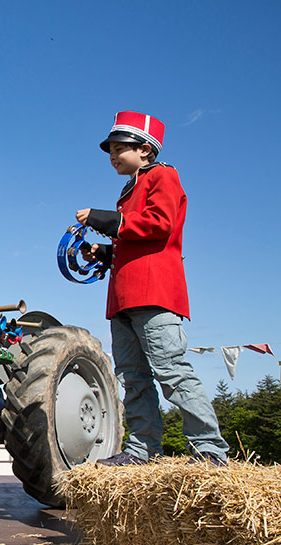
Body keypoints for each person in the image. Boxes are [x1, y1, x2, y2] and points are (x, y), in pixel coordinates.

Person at [75, 110, 230, 467]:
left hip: (154, 293)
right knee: (133, 378)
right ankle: (143, 451)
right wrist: (103, 250)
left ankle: (209, 449)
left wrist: (104, 219)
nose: (113, 155)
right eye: (110, 149)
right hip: (123, 298)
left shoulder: (164, 174)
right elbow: (135, 241)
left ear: (145, 149)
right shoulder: (128, 190)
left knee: (172, 371)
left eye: (120, 148)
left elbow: (160, 225)